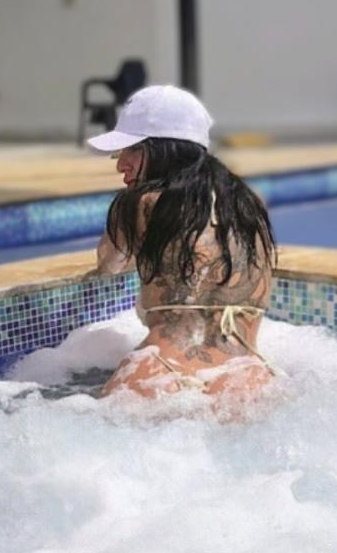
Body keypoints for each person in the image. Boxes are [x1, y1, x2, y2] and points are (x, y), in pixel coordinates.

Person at [87, 84, 277, 404]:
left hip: (161, 370)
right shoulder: (250, 203)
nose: (120, 165)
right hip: (246, 376)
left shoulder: (139, 203)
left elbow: (110, 266)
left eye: (131, 150)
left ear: (164, 150)